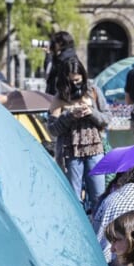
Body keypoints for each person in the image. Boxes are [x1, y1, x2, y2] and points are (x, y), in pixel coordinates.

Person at [47, 55, 110, 213]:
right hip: (70, 152)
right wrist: (69, 115)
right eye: (71, 81)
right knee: (74, 199)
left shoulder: (93, 91)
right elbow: (52, 129)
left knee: (98, 196)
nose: (75, 85)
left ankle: (98, 232)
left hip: (94, 149)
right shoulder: (59, 97)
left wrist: (91, 112)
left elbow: (107, 118)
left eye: (78, 80)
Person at [44, 31, 76, 95]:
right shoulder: (71, 56)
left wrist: (49, 55)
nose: (53, 45)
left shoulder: (62, 59)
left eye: (54, 42)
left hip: (58, 96)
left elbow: (49, 72)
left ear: (60, 43)